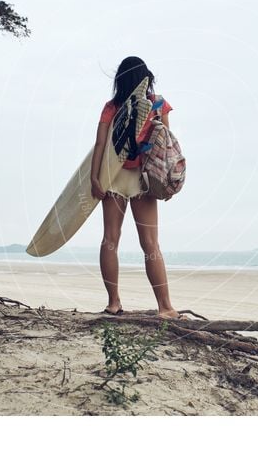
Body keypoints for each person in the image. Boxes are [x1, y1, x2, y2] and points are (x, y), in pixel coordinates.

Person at [90, 56, 186, 320]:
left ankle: (113, 304)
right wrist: (166, 181)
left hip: (113, 177)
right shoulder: (157, 104)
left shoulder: (111, 107)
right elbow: (164, 144)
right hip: (143, 179)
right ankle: (165, 307)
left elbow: (100, 145)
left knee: (110, 240)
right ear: (146, 77)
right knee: (151, 243)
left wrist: (94, 179)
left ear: (120, 79)